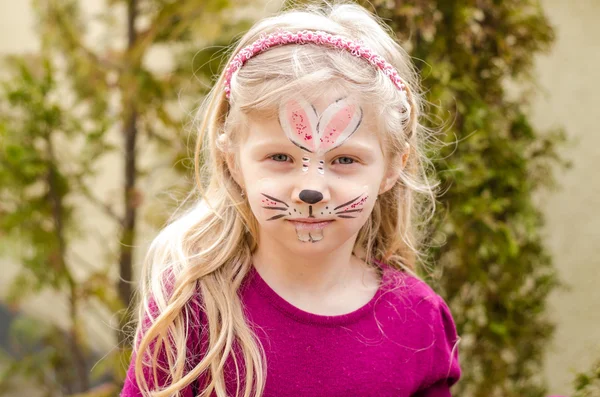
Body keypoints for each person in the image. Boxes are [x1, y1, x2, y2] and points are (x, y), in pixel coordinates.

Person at [121, 2, 461, 396]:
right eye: (280, 157)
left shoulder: (419, 321)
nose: (310, 189)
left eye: (345, 160)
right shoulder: (192, 314)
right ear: (233, 159)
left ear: (391, 168)